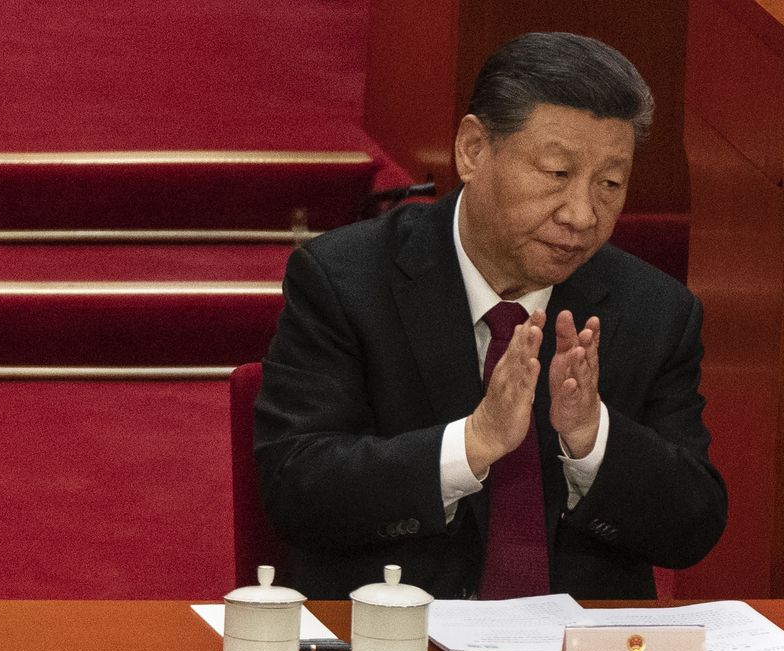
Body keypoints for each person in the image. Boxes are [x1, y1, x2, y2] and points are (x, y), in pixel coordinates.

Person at [254, 31, 727, 600]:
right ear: (473, 150)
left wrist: (591, 438)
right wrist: (473, 443)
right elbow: (297, 488)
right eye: (556, 173)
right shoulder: (346, 279)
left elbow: (692, 528)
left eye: (610, 184)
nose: (582, 214)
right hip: (401, 640)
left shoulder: (655, 310)